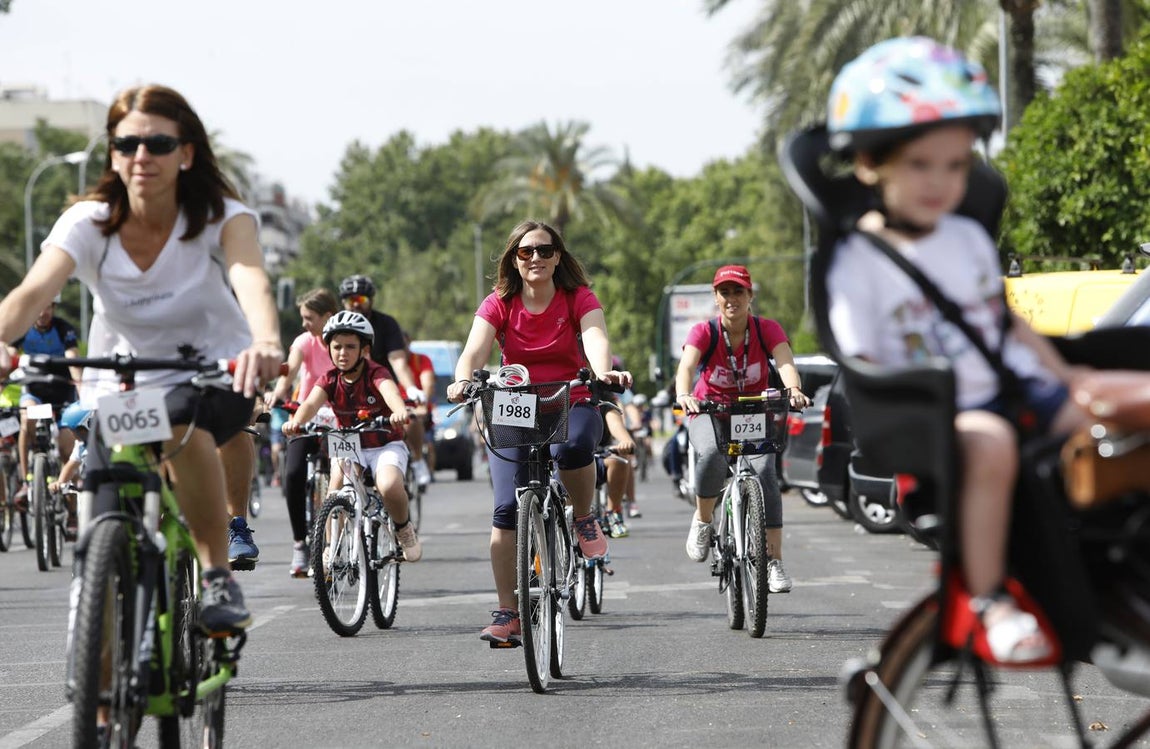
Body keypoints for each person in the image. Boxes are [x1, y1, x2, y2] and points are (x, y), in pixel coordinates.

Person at [823, 37, 1092, 662]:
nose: (940, 183)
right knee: (993, 441)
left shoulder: (968, 237)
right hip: (940, 415)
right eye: (921, 165)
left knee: (1119, 411)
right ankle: (988, 597)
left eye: (956, 165)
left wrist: (1073, 379)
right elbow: (867, 359)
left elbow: (1010, 326)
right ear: (869, 163)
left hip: (1013, 387)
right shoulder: (858, 263)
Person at [0, 84, 283, 635]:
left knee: (180, 418)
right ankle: (103, 699)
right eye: (126, 144)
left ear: (187, 152)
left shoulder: (222, 215)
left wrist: (267, 341)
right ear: (112, 153)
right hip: (120, 379)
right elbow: (32, 293)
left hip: (215, 371)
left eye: (157, 143)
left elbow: (251, 278)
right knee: (101, 511)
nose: (141, 157)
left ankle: (216, 573)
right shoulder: (88, 223)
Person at [446, 219, 631, 643]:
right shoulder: (499, 302)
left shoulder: (578, 298)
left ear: (558, 257)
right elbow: (473, 351)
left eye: (545, 250)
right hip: (515, 403)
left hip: (572, 396)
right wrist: (461, 380)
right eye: (526, 251)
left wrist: (604, 373)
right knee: (506, 512)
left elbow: (596, 337)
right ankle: (507, 612)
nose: (536, 258)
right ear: (514, 258)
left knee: (572, 451)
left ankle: (584, 517)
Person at [674, 265, 810, 593]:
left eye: (738, 292)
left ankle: (773, 560)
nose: (731, 299)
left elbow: (786, 363)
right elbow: (687, 367)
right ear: (716, 298)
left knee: (766, 475)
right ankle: (704, 520)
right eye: (725, 292)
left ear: (750, 296)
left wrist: (793, 389)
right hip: (710, 410)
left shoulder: (767, 329)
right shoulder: (704, 332)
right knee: (711, 454)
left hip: (752, 410)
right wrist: (684, 395)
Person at [282, 311, 422, 561]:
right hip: (348, 441)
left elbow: (389, 392)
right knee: (335, 491)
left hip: (384, 441)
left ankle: (404, 529)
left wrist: (399, 411)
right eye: (336, 347)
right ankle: (330, 547)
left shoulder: (376, 373)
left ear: (364, 349)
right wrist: (296, 422)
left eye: (350, 347)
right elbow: (310, 404)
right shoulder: (329, 379)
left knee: (389, 486)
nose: (342, 353)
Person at [266, 287, 340, 577]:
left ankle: (341, 540)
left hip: (338, 419)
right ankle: (300, 544)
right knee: (293, 473)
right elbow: (290, 370)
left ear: (327, 317)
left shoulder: (342, 342)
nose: (304, 324)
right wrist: (278, 393)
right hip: (306, 415)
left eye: (309, 318)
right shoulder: (304, 342)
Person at [7, 299, 81, 506]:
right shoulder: (23, 329)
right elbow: (10, 355)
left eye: (47, 307)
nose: (42, 312)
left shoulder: (63, 329)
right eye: (38, 307)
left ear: (53, 308)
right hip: (35, 392)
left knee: (68, 449)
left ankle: (73, 511)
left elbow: (72, 357)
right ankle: (26, 482)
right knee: (27, 420)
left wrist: (80, 385)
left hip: (63, 394)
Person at [338, 275, 421, 399]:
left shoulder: (387, 323)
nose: (355, 304)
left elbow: (397, 360)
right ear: (343, 303)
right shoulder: (335, 324)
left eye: (361, 299)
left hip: (382, 390)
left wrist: (411, 388)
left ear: (371, 301)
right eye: (351, 300)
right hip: (344, 390)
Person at [48, 400, 91, 540]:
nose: (73, 435)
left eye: (75, 430)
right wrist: (60, 483)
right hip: (88, 491)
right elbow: (70, 466)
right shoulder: (80, 445)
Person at [401, 331, 436, 488]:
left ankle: (417, 459)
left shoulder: (421, 360)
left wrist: (423, 404)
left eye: (403, 344)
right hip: (393, 409)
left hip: (416, 409)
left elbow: (427, 383)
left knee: (412, 421)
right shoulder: (387, 361)